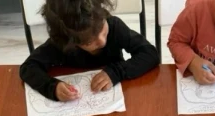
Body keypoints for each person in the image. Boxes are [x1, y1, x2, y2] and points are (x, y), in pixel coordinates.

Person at [19, 0, 158, 101]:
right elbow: (28, 68)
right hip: (75, 107)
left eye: (102, 28)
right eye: (89, 42)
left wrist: (117, 72)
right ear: (71, 44)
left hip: (116, 98)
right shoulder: (61, 44)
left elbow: (150, 54)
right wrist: (53, 88)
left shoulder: (114, 27)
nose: (102, 41)